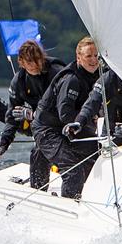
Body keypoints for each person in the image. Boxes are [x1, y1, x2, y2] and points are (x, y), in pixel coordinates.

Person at [31, 37, 101, 198]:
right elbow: (65, 114)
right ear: (78, 57)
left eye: (96, 56)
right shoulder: (72, 79)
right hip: (47, 130)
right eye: (88, 56)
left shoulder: (98, 76)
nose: (93, 60)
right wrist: (92, 126)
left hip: (67, 128)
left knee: (96, 158)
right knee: (73, 170)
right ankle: (70, 206)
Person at [0, 40, 65, 190]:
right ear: (21, 62)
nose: (34, 64)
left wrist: (34, 115)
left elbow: (65, 108)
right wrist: (4, 142)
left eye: (37, 59)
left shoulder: (56, 72)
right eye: (29, 61)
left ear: (42, 57)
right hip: (43, 127)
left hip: (64, 123)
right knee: (37, 152)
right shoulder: (19, 81)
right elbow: (11, 115)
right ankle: (38, 190)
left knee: (44, 149)